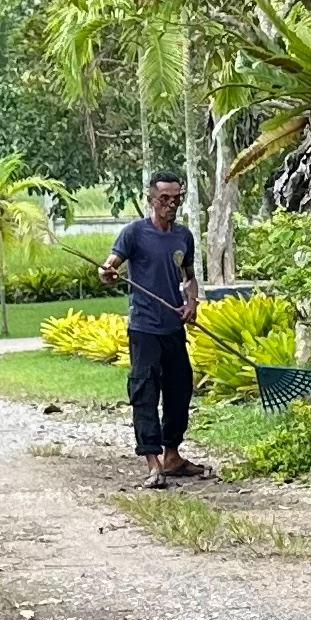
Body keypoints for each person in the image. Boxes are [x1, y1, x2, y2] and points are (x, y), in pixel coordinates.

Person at [99, 168, 204, 487]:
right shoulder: (134, 233)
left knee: (179, 389)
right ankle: (153, 464)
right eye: (164, 198)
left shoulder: (183, 236)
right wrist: (107, 272)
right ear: (150, 199)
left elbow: (189, 277)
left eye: (176, 198)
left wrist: (191, 303)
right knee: (145, 392)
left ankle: (172, 456)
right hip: (144, 328)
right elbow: (110, 266)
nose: (171, 204)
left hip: (173, 328)